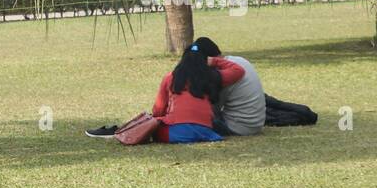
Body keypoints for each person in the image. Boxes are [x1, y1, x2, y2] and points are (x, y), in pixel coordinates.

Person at [86, 42, 246, 142]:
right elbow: (238, 70)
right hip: (206, 132)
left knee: (152, 130)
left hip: (175, 133)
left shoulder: (171, 78)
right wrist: (214, 61)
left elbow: (158, 110)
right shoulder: (211, 76)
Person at [192, 37, 264, 136]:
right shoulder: (238, 60)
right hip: (256, 123)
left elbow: (213, 109)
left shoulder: (223, 74)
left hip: (239, 127)